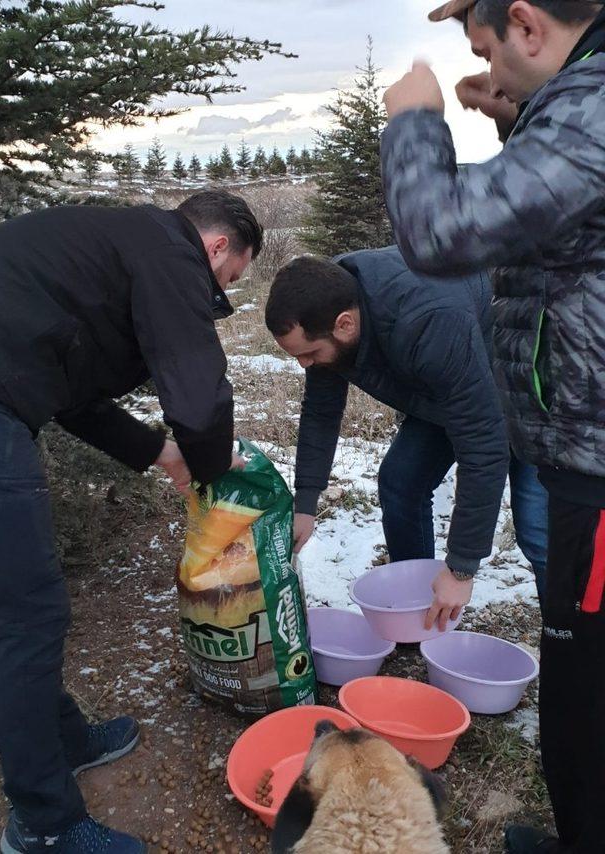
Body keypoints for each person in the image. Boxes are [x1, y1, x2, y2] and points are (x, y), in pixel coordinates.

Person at [0, 190, 262, 854]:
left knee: (25, 602)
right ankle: (43, 825)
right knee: (29, 612)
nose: (221, 292)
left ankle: (62, 739)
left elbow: (74, 399)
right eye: (230, 279)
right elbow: (194, 378)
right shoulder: (168, 251)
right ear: (217, 248)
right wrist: (215, 469)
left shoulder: (121, 249)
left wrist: (162, 454)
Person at [380, 1, 605, 851]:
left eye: (487, 51)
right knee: (582, 679)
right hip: (584, 454)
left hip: (598, 470)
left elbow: (439, 232)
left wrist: (414, 124)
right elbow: (566, 233)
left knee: (586, 697)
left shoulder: (594, 102)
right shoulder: (578, 101)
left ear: (527, 24)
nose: (487, 71)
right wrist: (518, 118)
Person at [265, 249, 548, 628]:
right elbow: (320, 411)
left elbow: (483, 446)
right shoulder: (329, 302)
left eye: (309, 353)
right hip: (449, 382)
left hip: (526, 382)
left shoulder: (427, 319)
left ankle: (573, 638)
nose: (305, 364)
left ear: (345, 324)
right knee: (401, 481)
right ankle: (417, 613)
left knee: (538, 528)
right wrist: (305, 503)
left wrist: (461, 568)